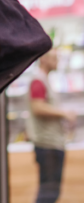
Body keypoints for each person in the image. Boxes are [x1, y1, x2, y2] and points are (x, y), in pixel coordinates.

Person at [28, 50, 76, 203]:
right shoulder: (38, 81)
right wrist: (64, 113)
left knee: (51, 192)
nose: (57, 61)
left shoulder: (44, 81)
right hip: (47, 144)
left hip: (52, 143)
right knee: (48, 193)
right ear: (43, 59)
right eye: (54, 58)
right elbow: (38, 107)